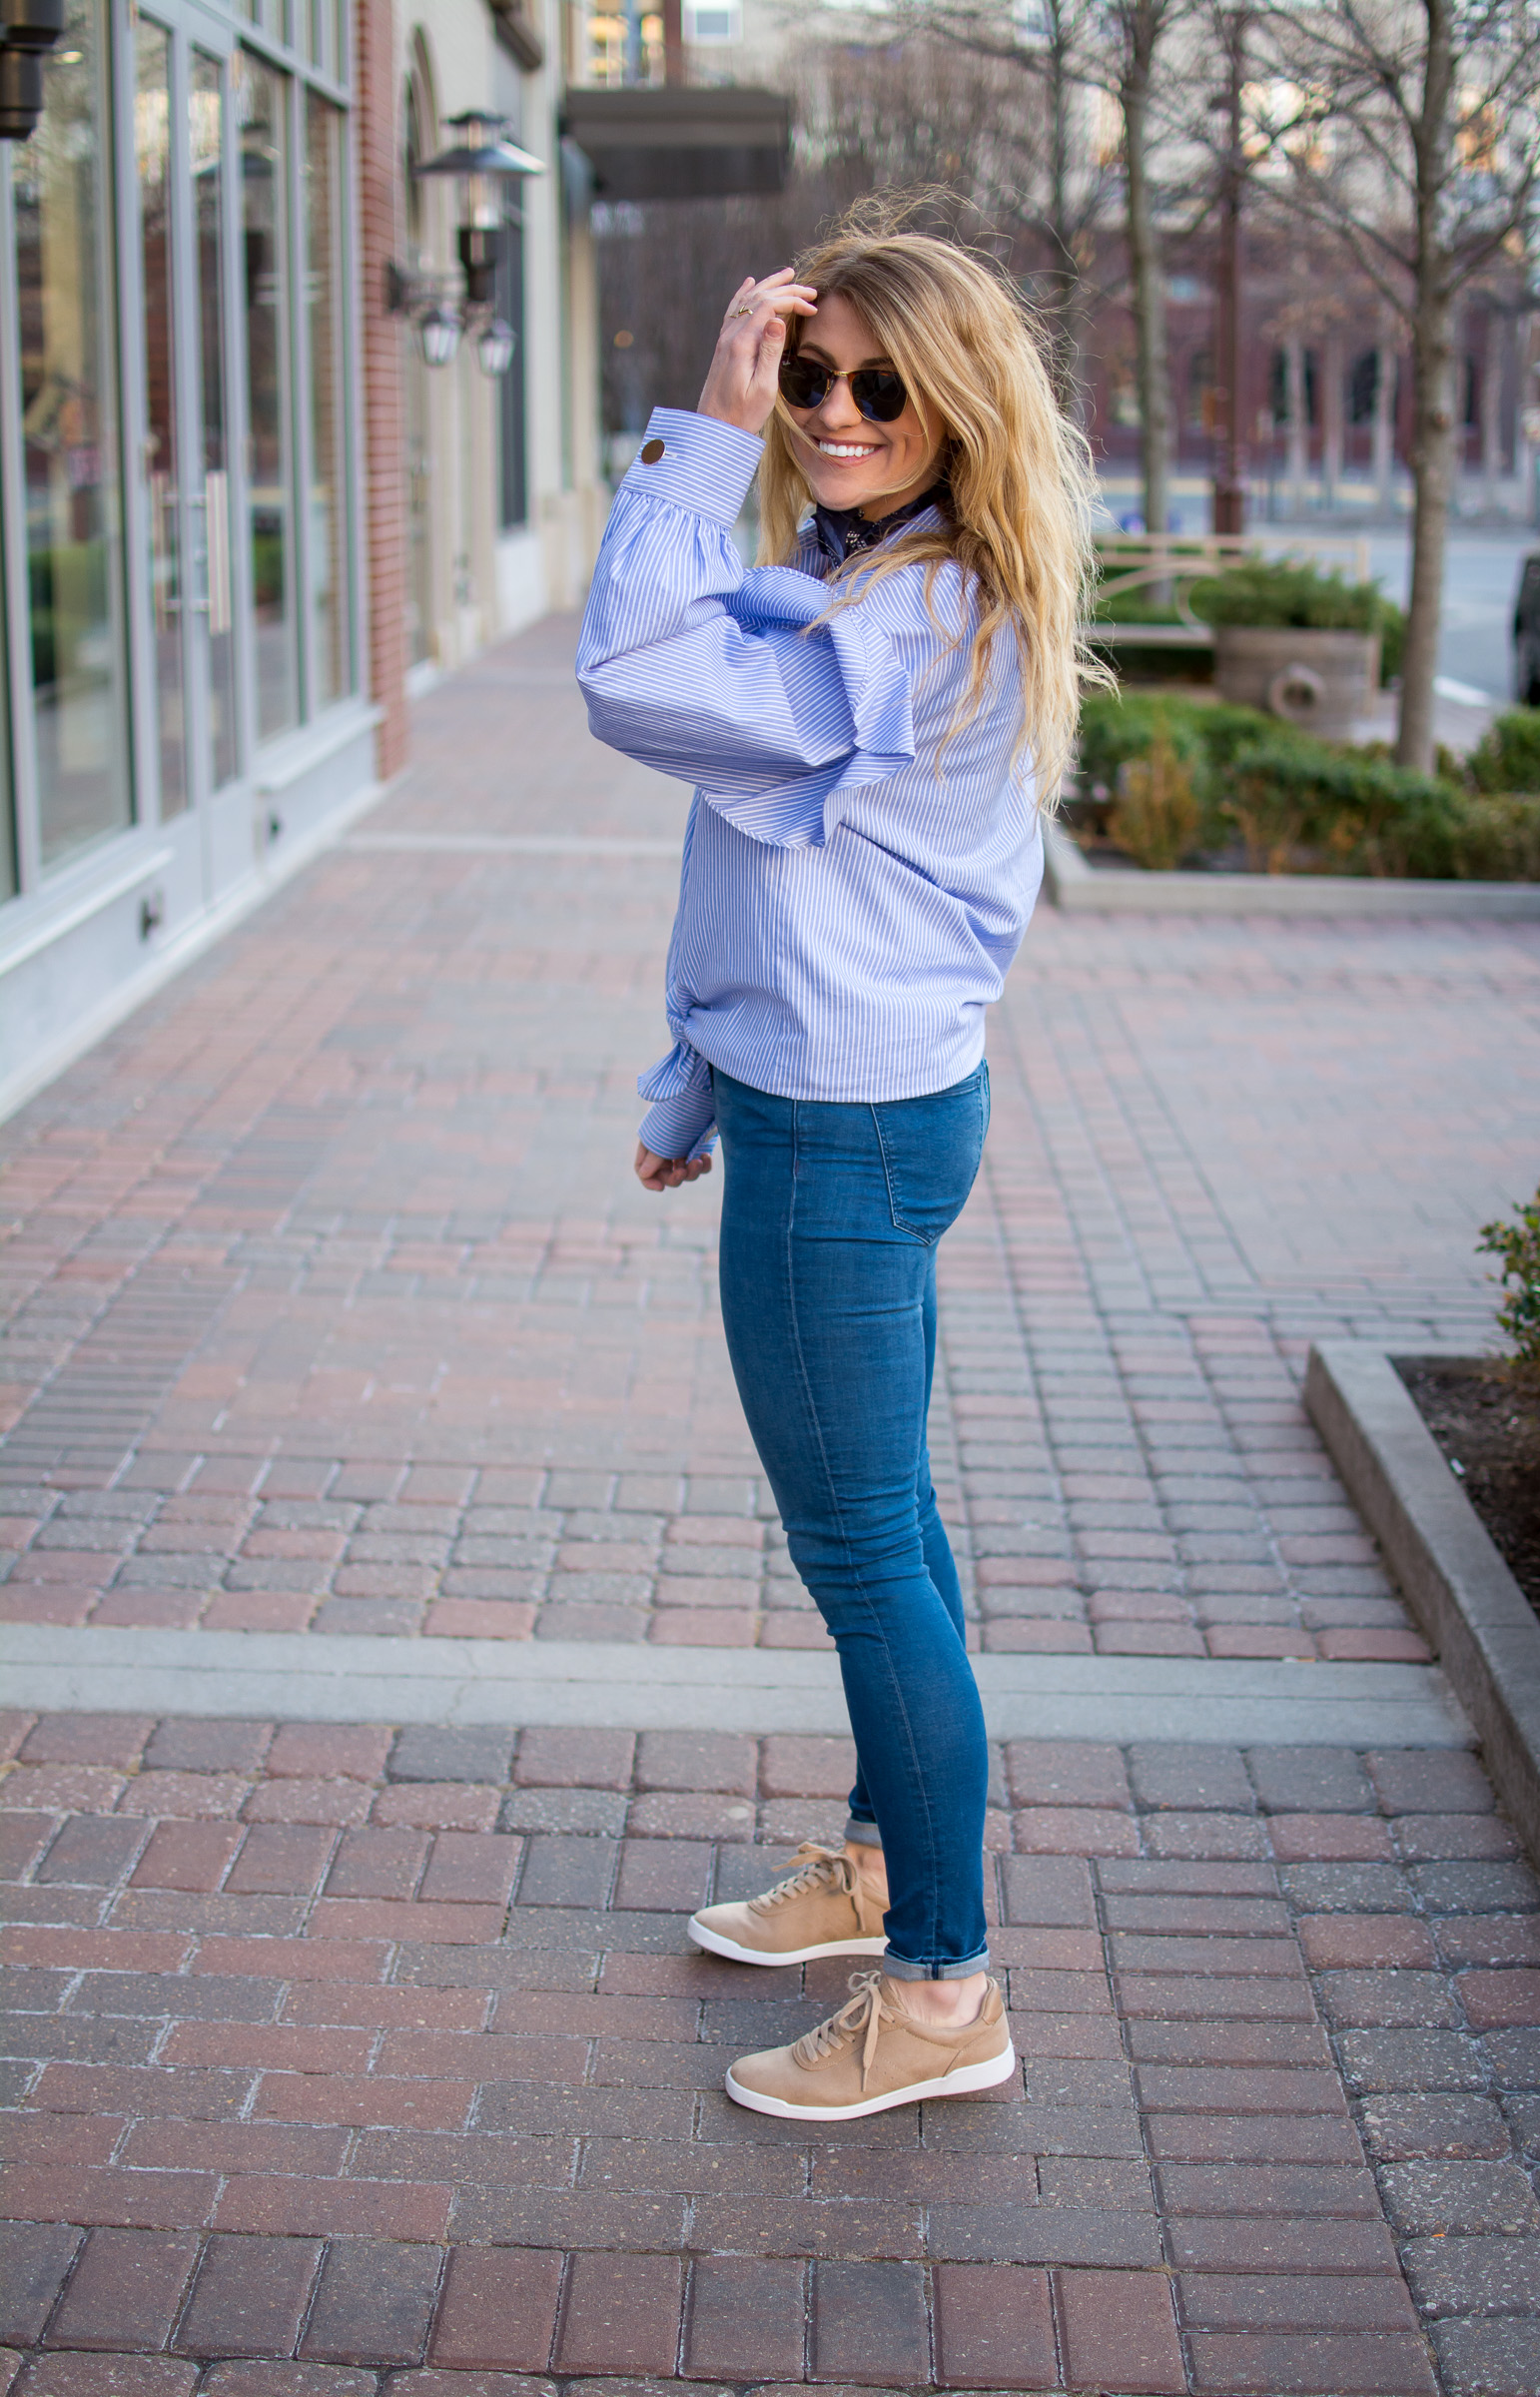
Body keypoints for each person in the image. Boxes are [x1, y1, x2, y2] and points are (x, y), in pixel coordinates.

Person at [576, 215, 1098, 2123]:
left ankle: (946, 1989)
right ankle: (885, 1867)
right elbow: (782, 884)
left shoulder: (902, 617)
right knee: (894, 1528)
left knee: (869, 1554)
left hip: (845, 1139)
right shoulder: (862, 572)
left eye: (881, 383)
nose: (838, 410)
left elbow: (631, 674)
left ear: (955, 400)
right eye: (809, 375)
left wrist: (703, 425)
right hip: (852, 1107)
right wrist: (694, 1078)